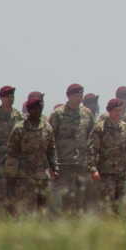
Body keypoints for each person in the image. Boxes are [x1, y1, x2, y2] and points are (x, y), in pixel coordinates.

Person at [3, 93, 59, 216]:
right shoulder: (19, 129)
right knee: (28, 208)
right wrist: (12, 174)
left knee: (42, 208)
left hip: (43, 176)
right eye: (35, 109)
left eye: (40, 108)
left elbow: (51, 150)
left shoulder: (47, 128)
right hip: (25, 177)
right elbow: (12, 153)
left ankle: (38, 231)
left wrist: (55, 169)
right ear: (29, 110)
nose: (38, 111)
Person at [89, 95, 126, 213]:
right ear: (109, 111)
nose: (118, 113)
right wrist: (93, 169)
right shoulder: (100, 129)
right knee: (108, 207)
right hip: (106, 174)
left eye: (120, 110)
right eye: (115, 111)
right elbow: (92, 151)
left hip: (123, 174)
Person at [49, 84, 94, 214]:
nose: (78, 99)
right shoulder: (58, 114)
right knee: (68, 200)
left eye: (81, 96)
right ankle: (69, 228)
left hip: (83, 164)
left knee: (84, 199)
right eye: (76, 96)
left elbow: (92, 139)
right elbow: (50, 140)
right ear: (68, 96)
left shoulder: (86, 113)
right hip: (64, 164)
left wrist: (93, 162)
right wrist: (52, 164)